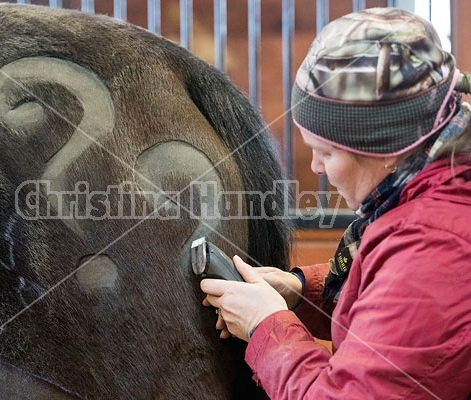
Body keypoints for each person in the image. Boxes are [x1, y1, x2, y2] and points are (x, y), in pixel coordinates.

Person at [200, 7, 471, 400]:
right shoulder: (436, 187)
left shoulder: (437, 246)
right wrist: (301, 291)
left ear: (386, 148)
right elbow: (392, 300)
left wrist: (265, 325)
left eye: (326, 152)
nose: (316, 167)